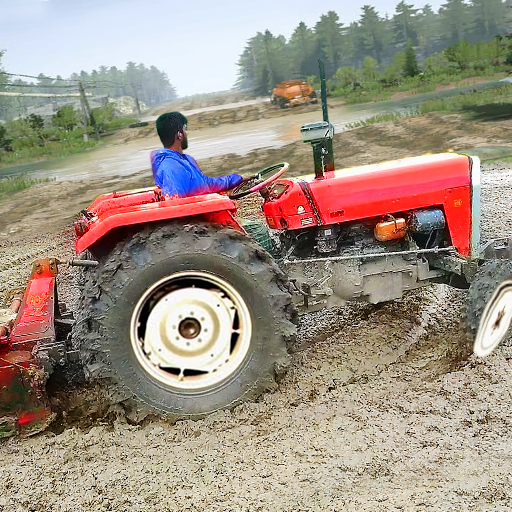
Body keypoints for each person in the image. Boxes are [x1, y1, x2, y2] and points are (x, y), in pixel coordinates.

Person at [151, 111, 243, 198]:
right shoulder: (170, 167)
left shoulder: (184, 160)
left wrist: (236, 179)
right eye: (185, 129)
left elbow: (206, 183)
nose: (187, 133)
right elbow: (174, 204)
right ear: (179, 134)